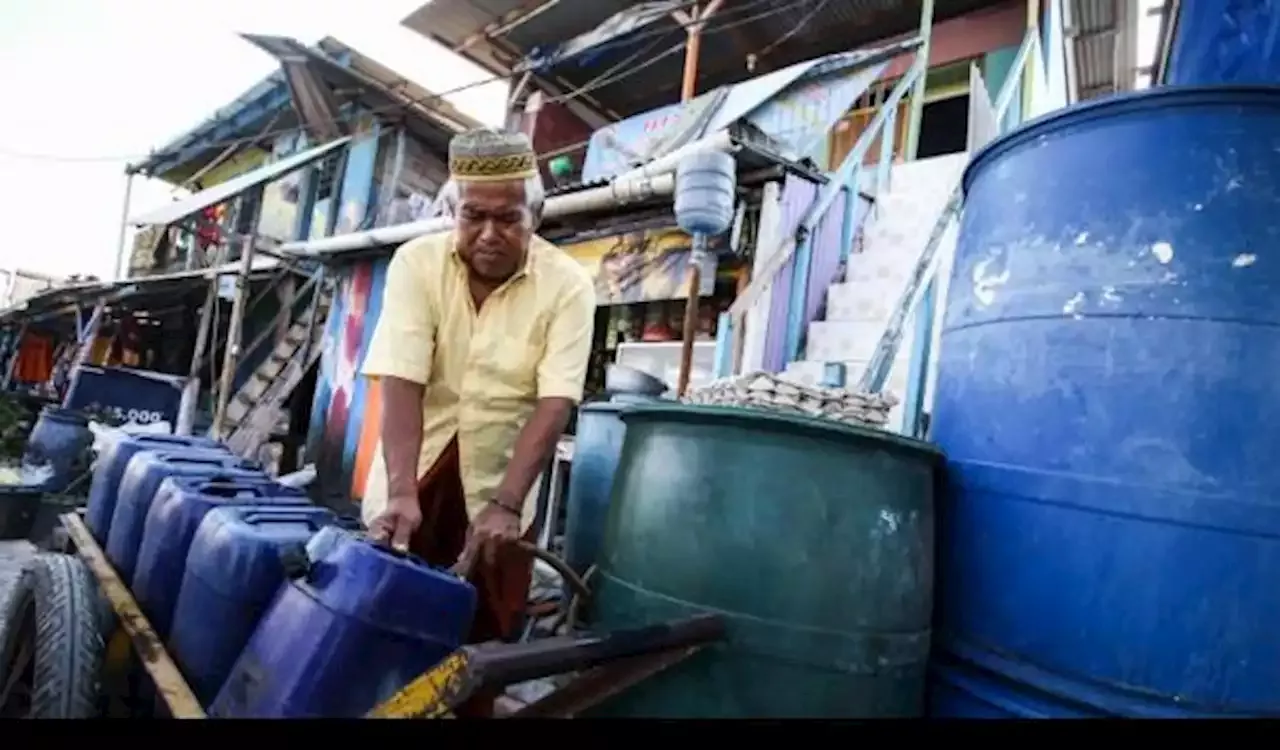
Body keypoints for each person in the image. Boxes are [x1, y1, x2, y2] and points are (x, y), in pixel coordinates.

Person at [361, 129, 595, 716]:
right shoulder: (416, 263)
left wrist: (509, 504)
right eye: (474, 216)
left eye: (509, 218)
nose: (490, 233)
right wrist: (400, 492)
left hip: (503, 483)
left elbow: (555, 400)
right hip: (416, 471)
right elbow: (402, 377)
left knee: (483, 639)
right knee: (383, 623)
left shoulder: (568, 285)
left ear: (534, 216)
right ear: (452, 212)